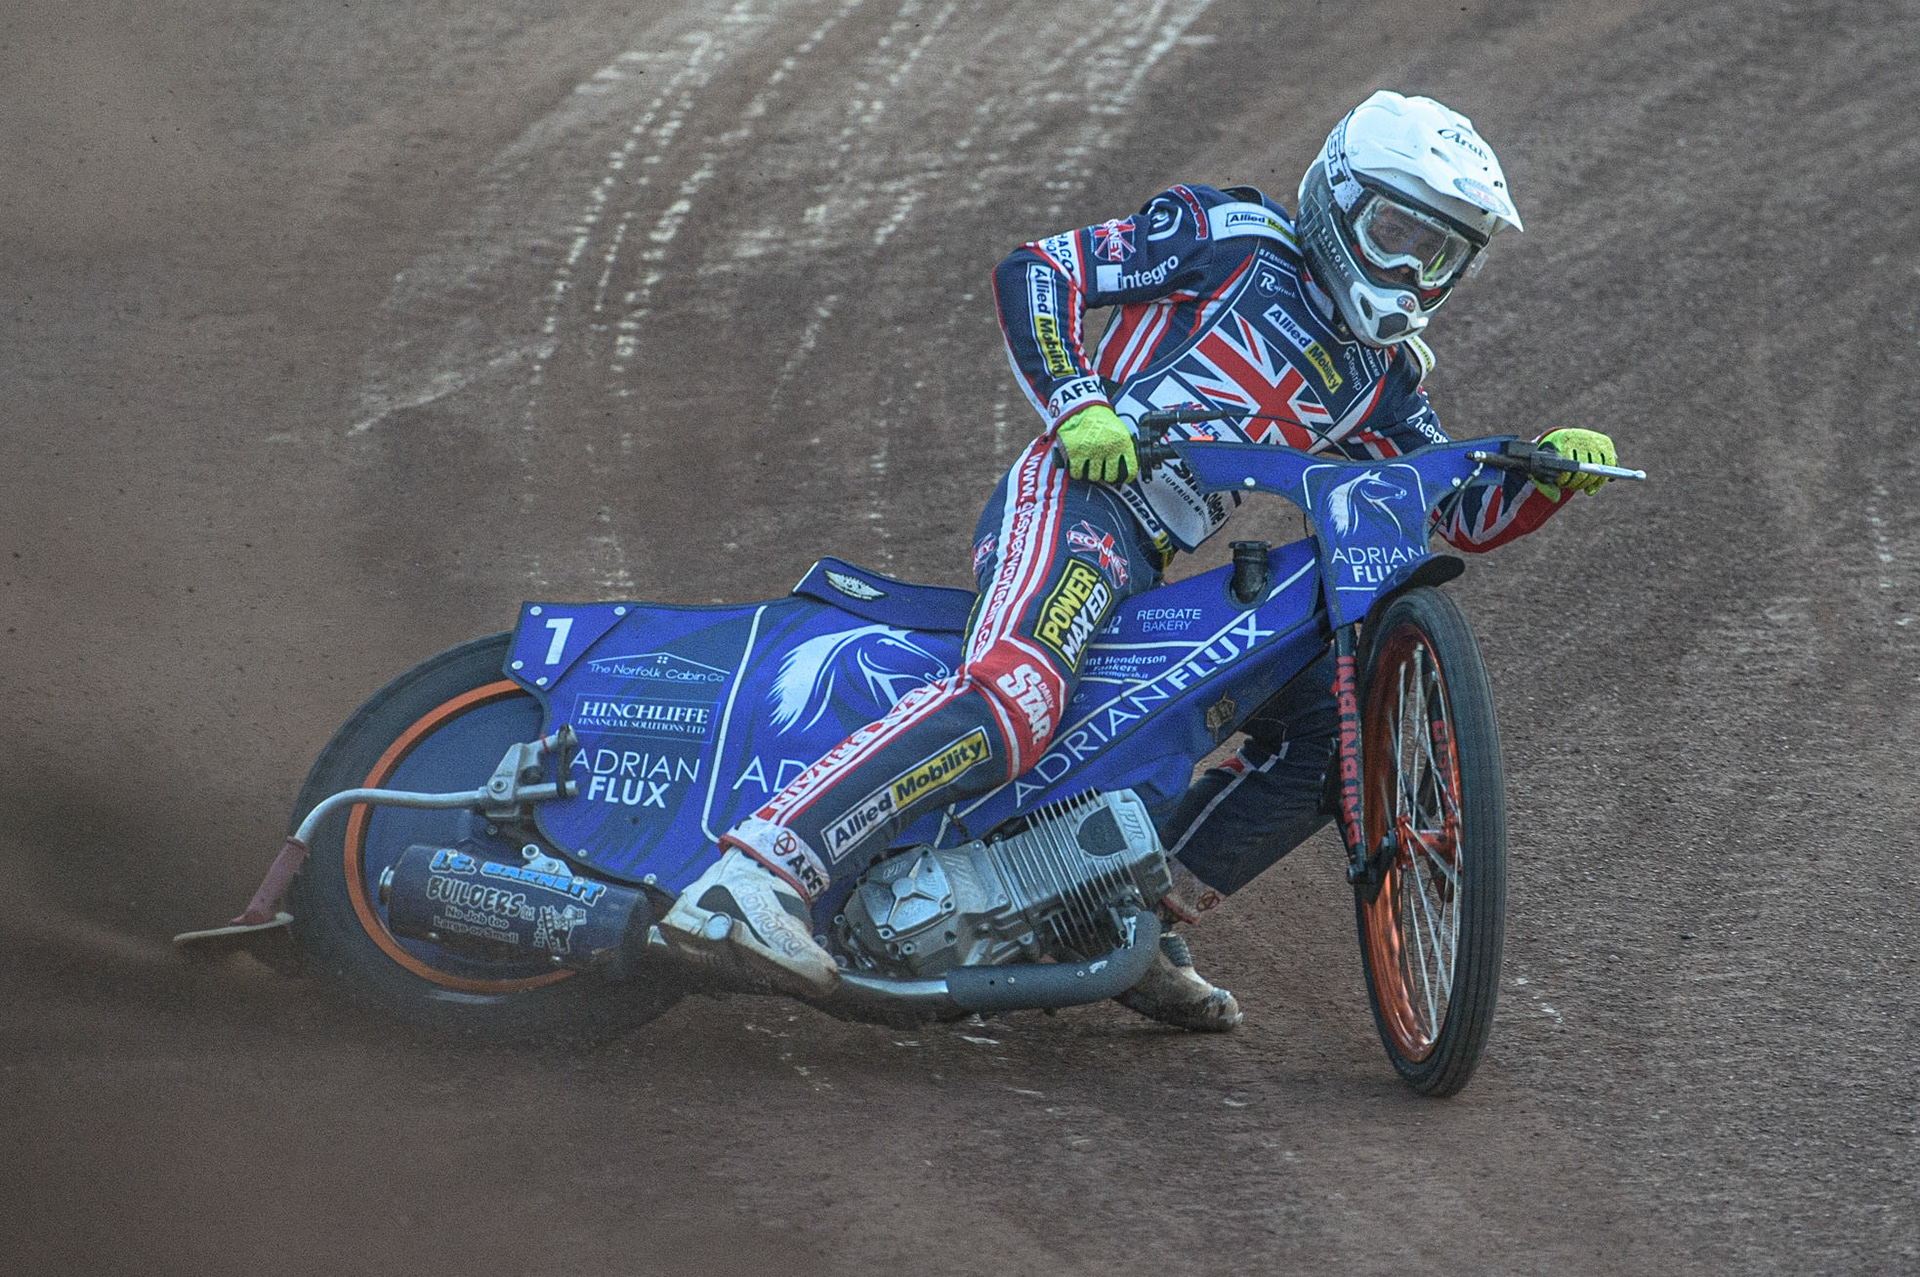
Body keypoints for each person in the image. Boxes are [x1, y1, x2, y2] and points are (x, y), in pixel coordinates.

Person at [661, 91, 1616, 1030]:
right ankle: (759, 871)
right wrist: (1079, 402)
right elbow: (1040, 270)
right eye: (1396, 234)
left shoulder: (1386, 380)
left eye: (1439, 255)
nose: (1409, 272)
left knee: (1334, 732)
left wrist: (1549, 475)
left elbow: (1455, 508)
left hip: (1149, 556)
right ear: (1336, 196)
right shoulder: (1232, 237)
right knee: (1019, 692)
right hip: (1073, 497)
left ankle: (1121, 915)